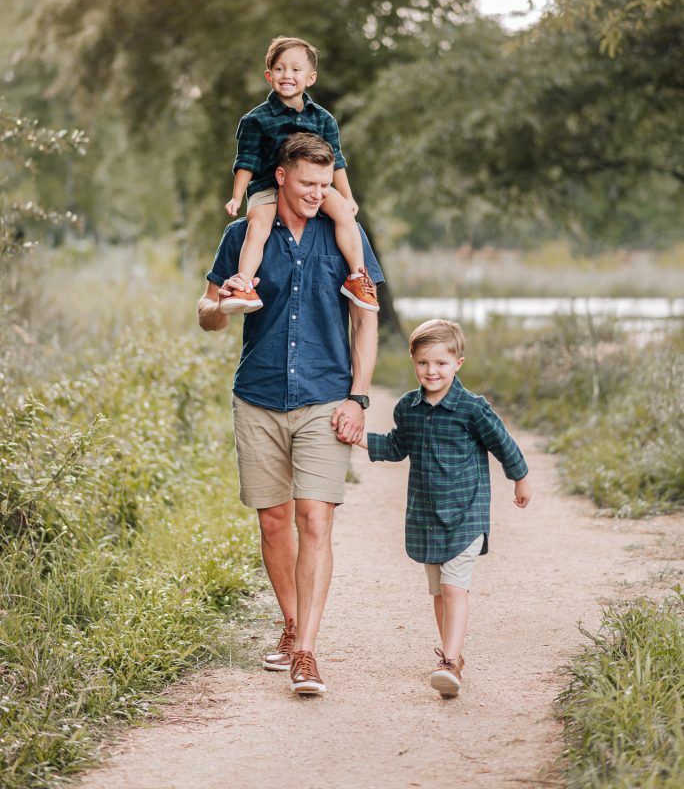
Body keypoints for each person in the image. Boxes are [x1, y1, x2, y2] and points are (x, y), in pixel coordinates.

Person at [198, 132, 383, 696]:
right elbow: (207, 313)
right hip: (258, 394)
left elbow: (367, 320)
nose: (316, 193)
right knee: (273, 520)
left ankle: (307, 652)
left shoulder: (345, 236)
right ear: (281, 176)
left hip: (326, 397)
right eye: (306, 183)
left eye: (325, 185)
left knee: (316, 520)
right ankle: (291, 622)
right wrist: (223, 304)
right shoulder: (243, 234)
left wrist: (358, 397)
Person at [353, 319, 531, 698]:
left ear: (458, 363)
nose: (431, 371)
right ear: (413, 362)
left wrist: (520, 477)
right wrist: (358, 439)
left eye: (441, 364)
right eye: (423, 364)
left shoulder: (472, 409)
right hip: (427, 515)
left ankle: (449, 660)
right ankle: (452, 658)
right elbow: (397, 446)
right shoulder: (409, 408)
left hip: (466, 513)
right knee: (438, 593)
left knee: (454, 588)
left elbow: (503, 444)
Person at [223, 35, 378, 315]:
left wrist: (347, 196)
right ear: (269, 76)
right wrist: (236, 198)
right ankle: (243, 284)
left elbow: (337, 162)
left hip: (311, 185)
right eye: (280, 69)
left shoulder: (323, 119)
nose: (287, 75)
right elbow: (246, 161)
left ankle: (357, 277)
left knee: (345, 214)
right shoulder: (255, 121)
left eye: (296, 70)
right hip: (268, 186)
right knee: (258, 226)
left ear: (311, 78)